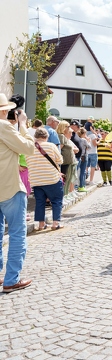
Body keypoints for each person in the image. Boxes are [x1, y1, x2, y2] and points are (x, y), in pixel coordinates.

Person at [0, 94, 35, 292]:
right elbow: (28, 148)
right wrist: (23, 125)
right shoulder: (3, 126)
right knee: (17, 234)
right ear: (5, 110)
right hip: (9, 187)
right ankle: (11, 279)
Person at [26, 128, 64, 231]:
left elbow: (26, 161)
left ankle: (41, 224)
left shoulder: (29, 147)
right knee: (56, 200)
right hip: (51, 178)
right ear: (46, 137)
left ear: (35, 137)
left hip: (36, 179)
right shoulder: (51, 146)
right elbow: (60, 160)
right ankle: (56, 223)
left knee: (40, 202)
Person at [56, 121, 75, 196]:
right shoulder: (61, 136)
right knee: (63, 180)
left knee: (65, 180)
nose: (69, 128)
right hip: (63, 162)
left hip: (66, 162)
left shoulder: (62, 136)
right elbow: (59, 149)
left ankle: (63, 196)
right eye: (68, 127)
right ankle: (62, 196)